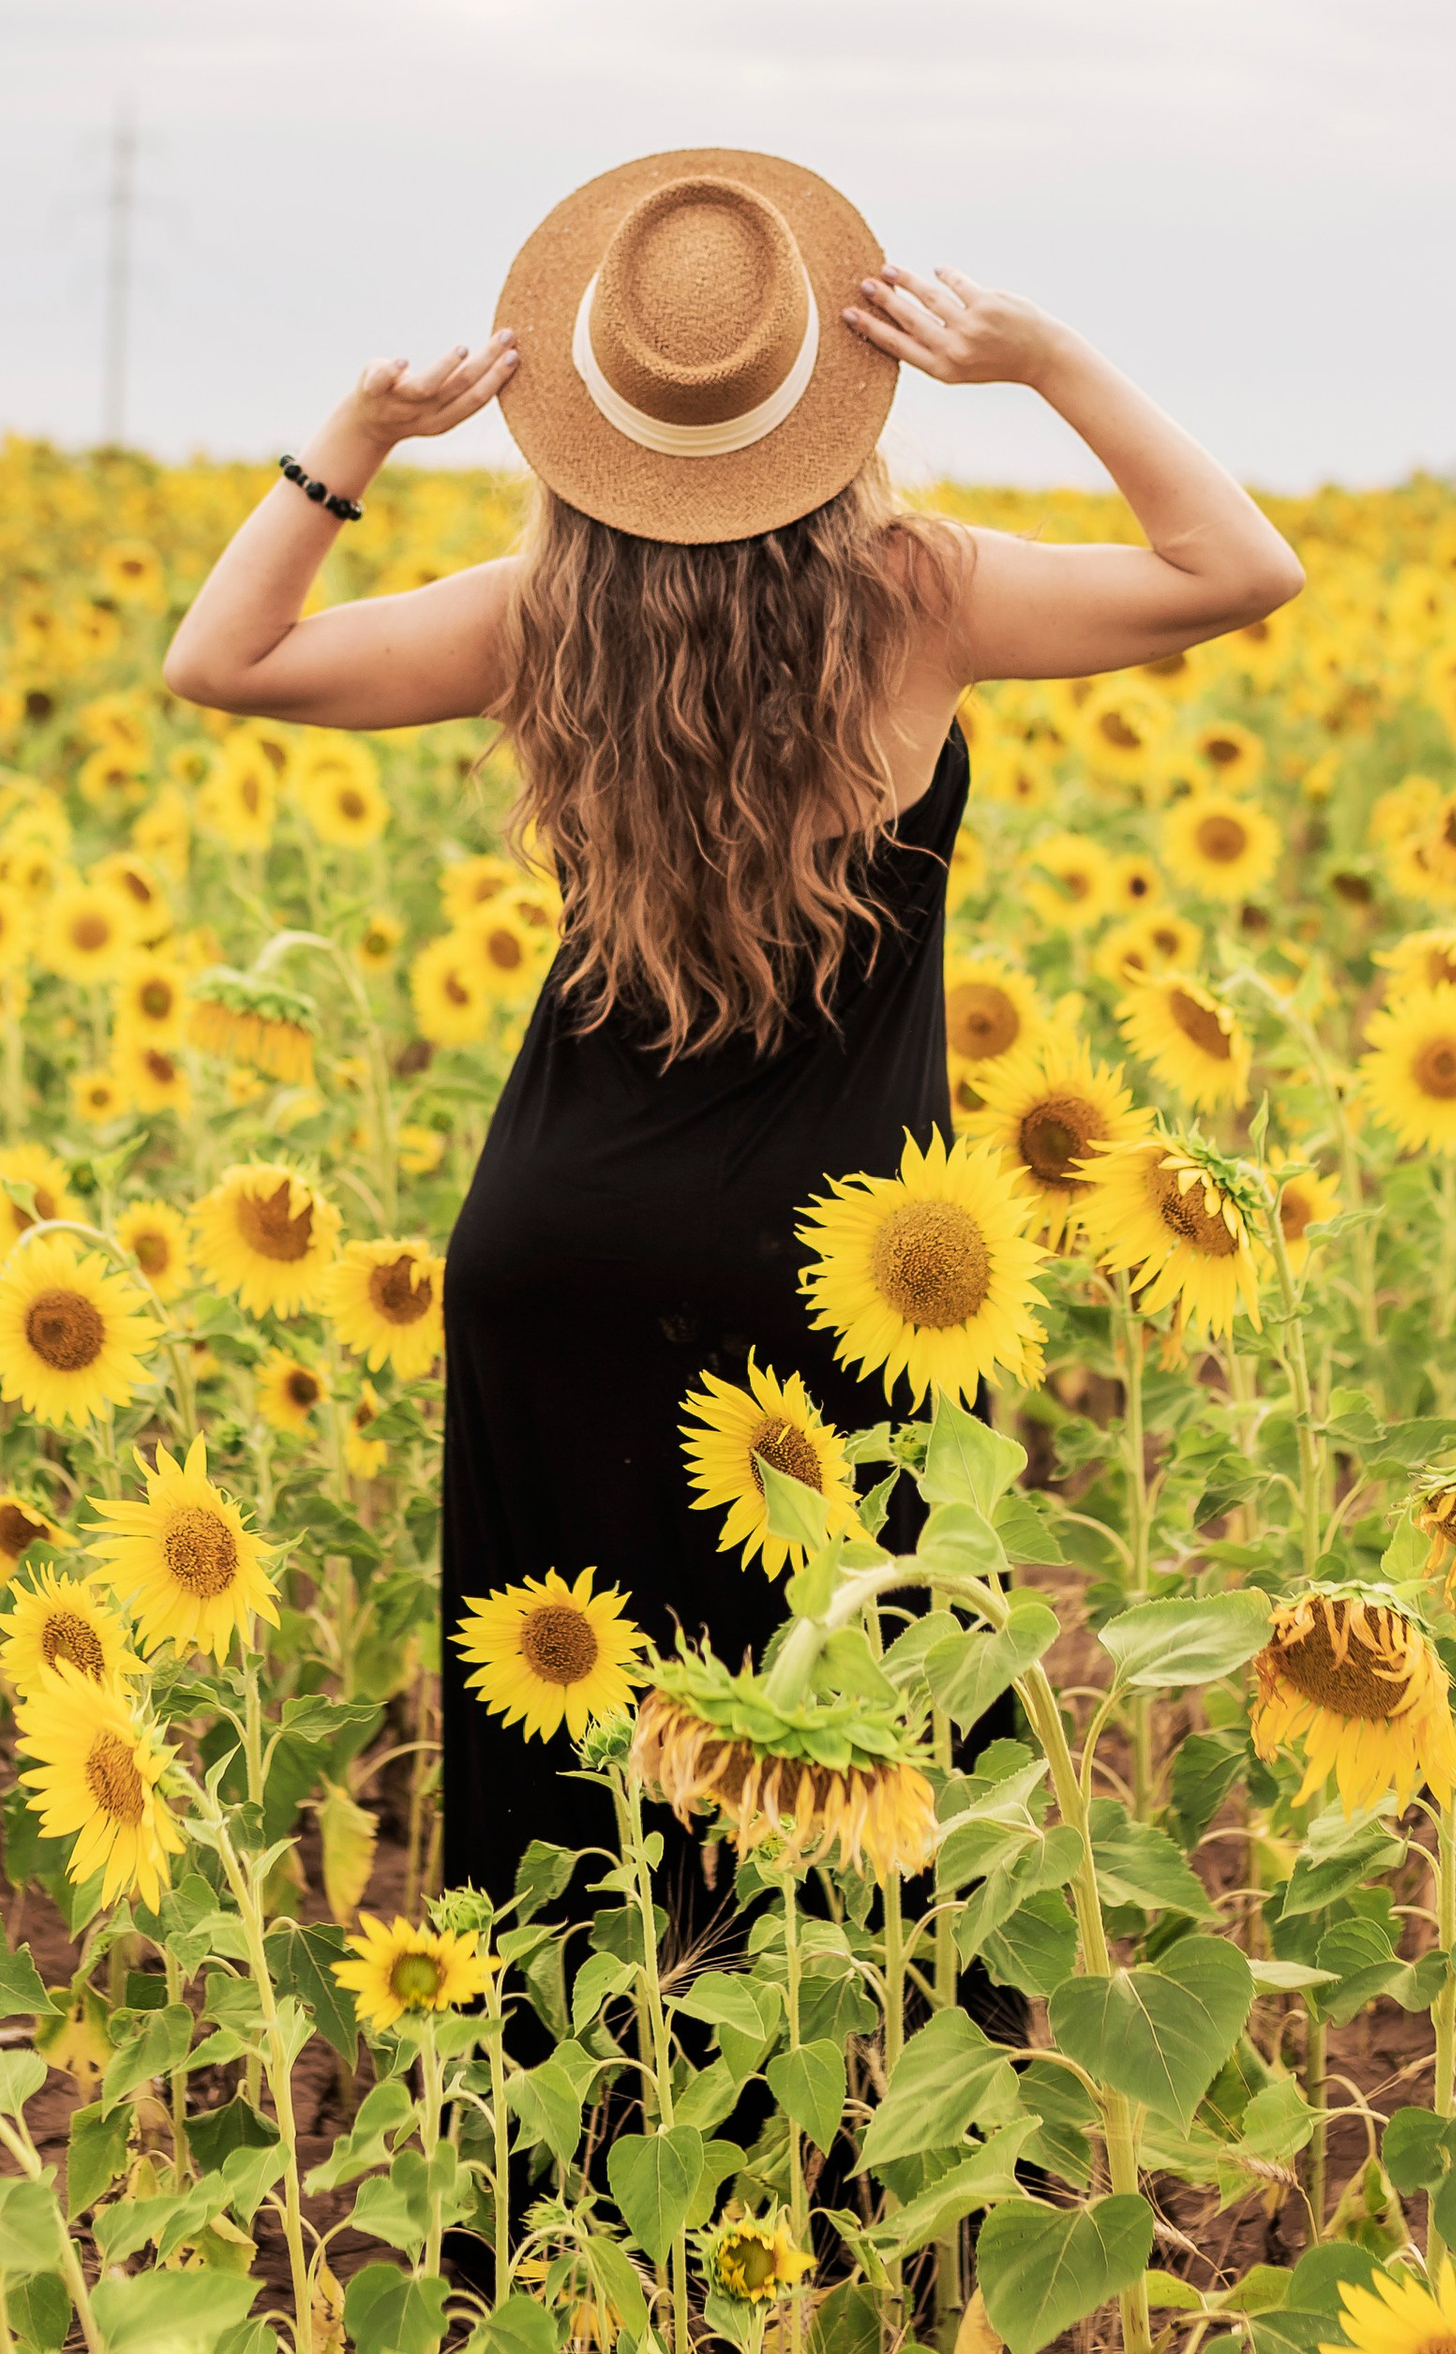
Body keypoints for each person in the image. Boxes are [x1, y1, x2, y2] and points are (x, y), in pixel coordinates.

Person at [163, 149, 1302, 1909]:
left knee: (581, 1778)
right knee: (857, 1760)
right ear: (824, 403)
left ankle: (592, 2081)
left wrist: (359, 438)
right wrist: (1048, 360)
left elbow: (219, 660)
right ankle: (846, 2094)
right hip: (851, 1270)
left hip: (559, 1255)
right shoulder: (924, 595)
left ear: (592, 419)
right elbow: (1239, 567)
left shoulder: (537, 619)